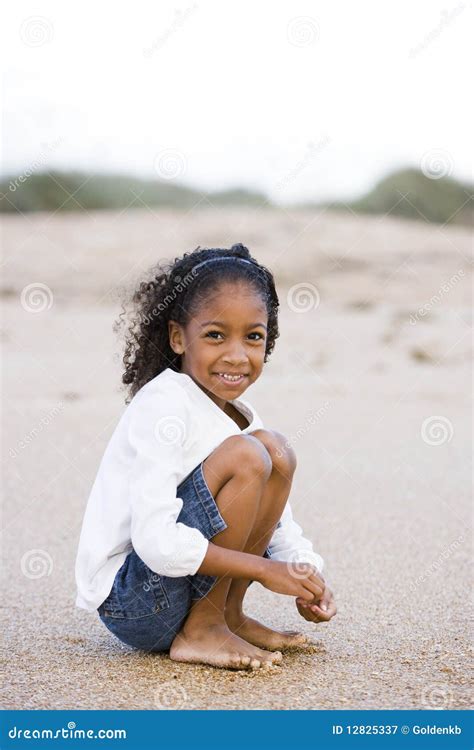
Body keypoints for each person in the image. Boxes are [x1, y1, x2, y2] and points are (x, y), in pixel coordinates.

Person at [75, 243, 336, 670]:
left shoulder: (243, 420)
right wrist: (265, 570)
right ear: (178, 337)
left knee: (275, 450)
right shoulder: (162, 406)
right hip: (136, 605)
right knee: (250, 455)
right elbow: (156, 544)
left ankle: (227, 617)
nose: (236, 355)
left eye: (253, 336)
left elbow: (281, 527)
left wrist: (305, 574)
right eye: (215, 335)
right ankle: (203, 629)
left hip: (179, 587)